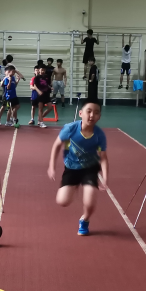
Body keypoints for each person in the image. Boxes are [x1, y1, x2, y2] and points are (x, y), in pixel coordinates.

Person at [47, 99, 109, 236]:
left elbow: (104, 158)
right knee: (62, 201)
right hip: (71, 168)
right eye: (89, 111)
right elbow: (56, 145)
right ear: (81, 113)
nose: (92, 115)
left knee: (90, 202)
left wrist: (105, 177)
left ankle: (85, 219)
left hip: (90, 168)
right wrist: (52, 166)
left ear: (99, 116)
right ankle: (74, 186)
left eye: (96, 112)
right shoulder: (70, 129)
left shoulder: (99, 135)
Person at [29, 63, 51, 127]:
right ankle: (40, 122)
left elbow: (47, 84)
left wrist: (50, 87)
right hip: (39, 95)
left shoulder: (47, 77)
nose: (42, 71)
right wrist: (39, 91)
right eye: (41, 70)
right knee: (39, 108)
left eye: (44, 70)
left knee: (50, 107)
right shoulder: (37, 77)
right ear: (39, 70)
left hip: (46, 94)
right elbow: (34, 86)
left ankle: (40, 118)